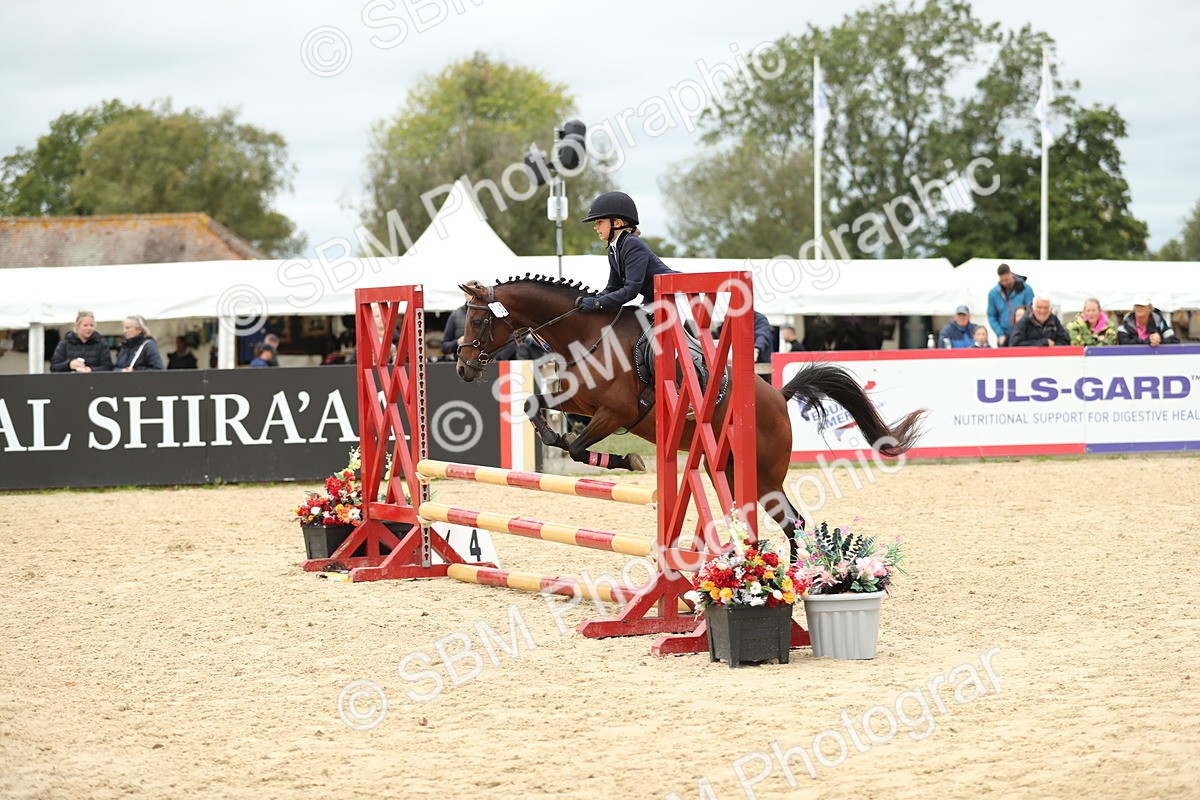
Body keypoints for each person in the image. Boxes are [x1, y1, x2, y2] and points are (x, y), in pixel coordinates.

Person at [577, 192, 680, 314]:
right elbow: (613, 287)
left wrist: (598, 303)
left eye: (599, 222)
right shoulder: (614, 248)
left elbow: (631, 290)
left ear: (617, 223)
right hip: (656, 298)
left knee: (638, 321)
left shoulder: (632, 244)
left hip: (676, 296)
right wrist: (594, 299)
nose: (595, 227)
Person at [986, 264, 1034, 346]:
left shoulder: (1026, 290)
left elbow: (1031, 312)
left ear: (1011, 274)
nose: (1005, 283)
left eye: (1007, 280)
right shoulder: (993, 293)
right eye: (1002, 280)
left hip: (1023, 336)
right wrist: (1000, 334)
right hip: (1004, 336)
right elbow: (992, 316)